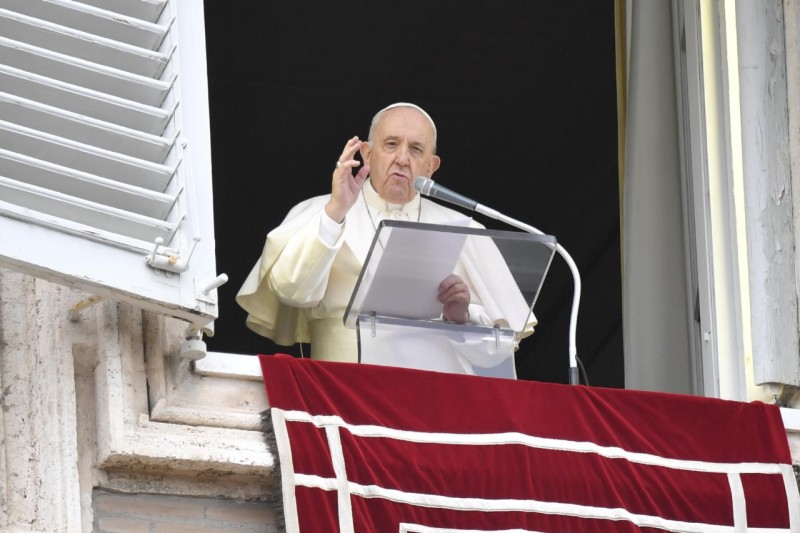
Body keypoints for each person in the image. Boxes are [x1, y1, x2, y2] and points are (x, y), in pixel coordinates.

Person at [237, 103, 535, 367]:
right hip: (341, 392)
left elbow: (500, 352)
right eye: (391, 144)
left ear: (431, 166)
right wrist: (336, 212)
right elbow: (290, 291)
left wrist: (461, 318)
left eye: (416, 149)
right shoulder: (320, 213)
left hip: (434, 405)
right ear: (368, 153)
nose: (402, 158)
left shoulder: (462, 228)